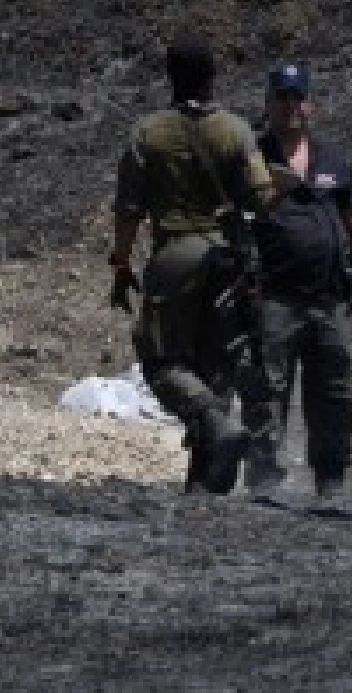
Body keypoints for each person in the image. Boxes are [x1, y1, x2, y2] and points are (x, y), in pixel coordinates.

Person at [109, 32, 277, 494]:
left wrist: (120, 264)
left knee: (161, 361)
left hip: (175, 253)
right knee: (216, 362)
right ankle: (207, 478)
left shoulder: (148, 133)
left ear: (170, 76)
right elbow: (263, 196)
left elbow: (128, 210)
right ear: (212, 78)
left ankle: (211, 431)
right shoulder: (237, 131)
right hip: (227, 257)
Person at [242, 61, 352, 512]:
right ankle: (266, 476)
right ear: (269, 104)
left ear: (309, 104)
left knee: (333, 391)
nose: (291, 107)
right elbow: (240, 215)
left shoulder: (331, 157)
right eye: (282, 98)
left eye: (298, 98)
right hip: (275, 294)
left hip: (328, 297)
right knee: (268, 387)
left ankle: (330, 481)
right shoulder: (255, 156)